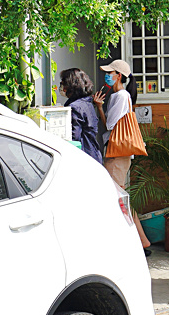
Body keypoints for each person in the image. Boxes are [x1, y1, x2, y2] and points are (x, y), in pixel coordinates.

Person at [93, 59, 151, 252]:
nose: (106, 76)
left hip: (116, 153)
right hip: (121, 153)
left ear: (119, 75)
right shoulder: (122, 95)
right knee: (121, 196)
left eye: (110, 73)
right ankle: (141, 240)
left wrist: (99, 107)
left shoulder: (119, 96)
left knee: (118, 197)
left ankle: (136, 240)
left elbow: (110, 125)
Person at [60, 67, 102, 164]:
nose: (62, 87)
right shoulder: (87, 103)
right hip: (94, 154)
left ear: (70, 85)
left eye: (63, 83)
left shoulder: (75, 107)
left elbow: (74, 138)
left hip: (84, 157)